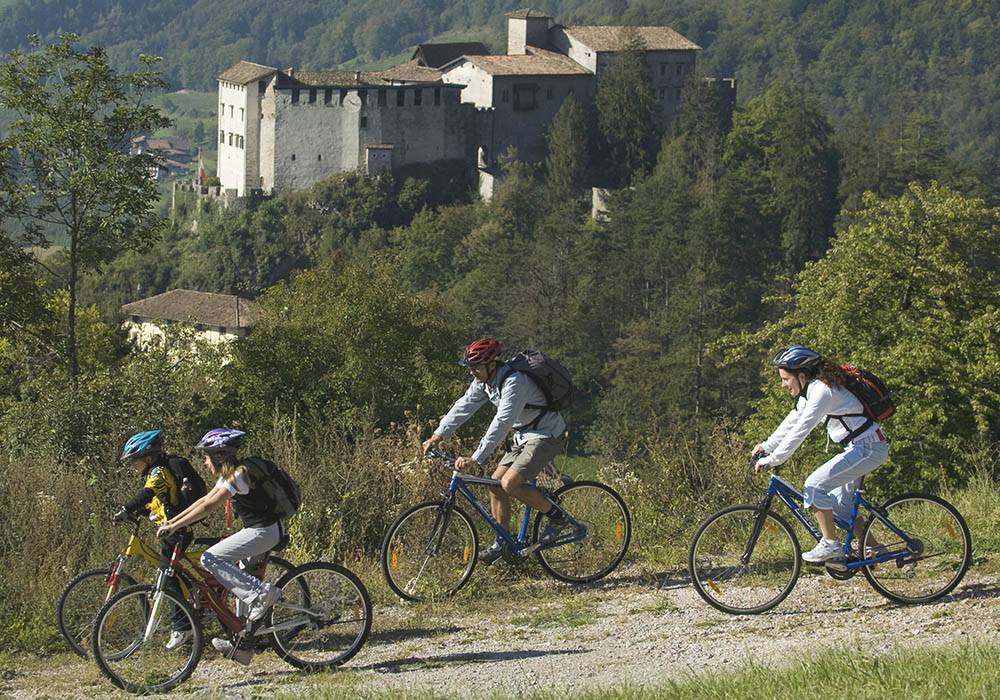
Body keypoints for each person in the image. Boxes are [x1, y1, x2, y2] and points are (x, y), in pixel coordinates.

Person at [422, 339, 579, 565]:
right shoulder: (483, 381)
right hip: (523, 436)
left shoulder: (515, 382)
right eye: (470, 368)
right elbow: (464, 405)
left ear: (492, 365)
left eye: (476, 367)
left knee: (509, 484)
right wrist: (437, 435)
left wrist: (476, 458)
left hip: (546, 435)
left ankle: (558, 518)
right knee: (495, 485)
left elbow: (502, 422)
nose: (472, 372)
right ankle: (502, 544)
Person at [157, 428, 284, 666]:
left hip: (264, 531)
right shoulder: (230, 475)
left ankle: (262, 594)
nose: (204, 462)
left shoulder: (238, 475)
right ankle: (244, 647)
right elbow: (203, 501)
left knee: (209, 559)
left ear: (219, 455)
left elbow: (209, 507)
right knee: (240, 588)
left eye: (206, 456)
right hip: (260, 530)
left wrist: (175, 526)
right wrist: (173, 522)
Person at [753, 346, 889, 564]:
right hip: (861, 447)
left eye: (785, 379)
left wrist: (773, 459)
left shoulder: (822, 391)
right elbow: (794, 418)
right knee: (840, 508)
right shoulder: (813, 390)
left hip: (868, 448)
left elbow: (802, 429)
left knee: (815, 486)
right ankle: (876, 549)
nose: (783, 384)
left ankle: (831, 545)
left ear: (802, 375)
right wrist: (767, 446)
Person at [113, 429, 197, 651]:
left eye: (134, 460)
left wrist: (126, 508)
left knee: (166, 576)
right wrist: (138, 512)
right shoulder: (158, 471)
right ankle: (191, 603)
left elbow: (148, 493)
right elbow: (158, 500)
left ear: (147, 458)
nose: (132, 465)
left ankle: (182, 627)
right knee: (171, 573)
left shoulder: (159, 471)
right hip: (171, 529)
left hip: (176, 530)